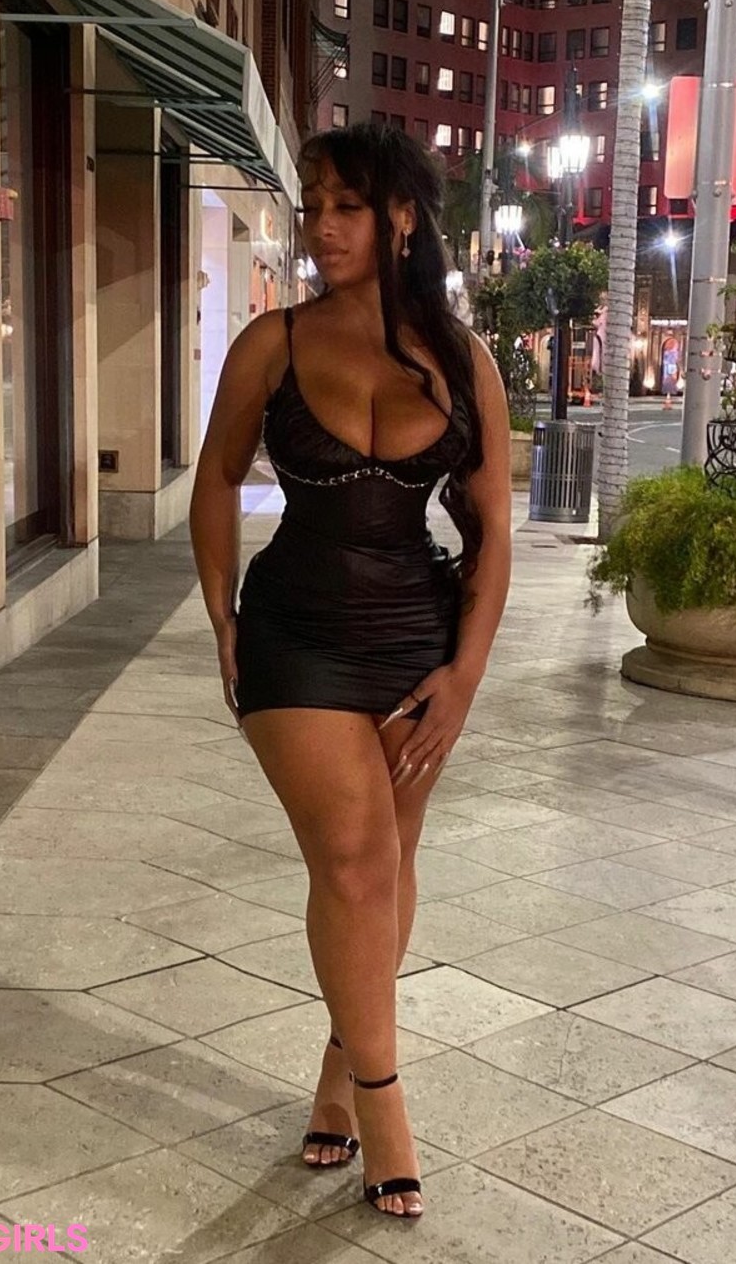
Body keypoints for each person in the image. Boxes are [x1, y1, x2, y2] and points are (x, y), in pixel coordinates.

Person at [189, 123, 511, 1220]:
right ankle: (384, 1100)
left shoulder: (464, 361)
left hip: (417, 637)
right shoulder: (272, 343)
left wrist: (464, 675)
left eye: (347, 206)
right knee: (357, 858)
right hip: (296, 635)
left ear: (401, 217)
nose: (322, 226)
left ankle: (337, 1067)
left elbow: (493, 528)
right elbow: (215, 479)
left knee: (388, 864)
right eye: (314, 206)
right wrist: (223, 617)